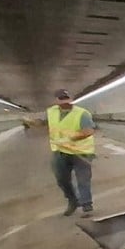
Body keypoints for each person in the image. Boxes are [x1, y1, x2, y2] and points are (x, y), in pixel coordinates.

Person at [47, 89, 96, 217]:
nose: (65, 102)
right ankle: (72, 200)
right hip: (60, 152)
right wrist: (33, 123)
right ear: (56, 100)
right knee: (62, 179)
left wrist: (70, 138)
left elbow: (89, 131)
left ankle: (87, 205)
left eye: (67, 99)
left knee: (83, 179)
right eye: (62, 99)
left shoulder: (82, 113)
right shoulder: (51, 112)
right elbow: (48, 125)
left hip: (81, 152)